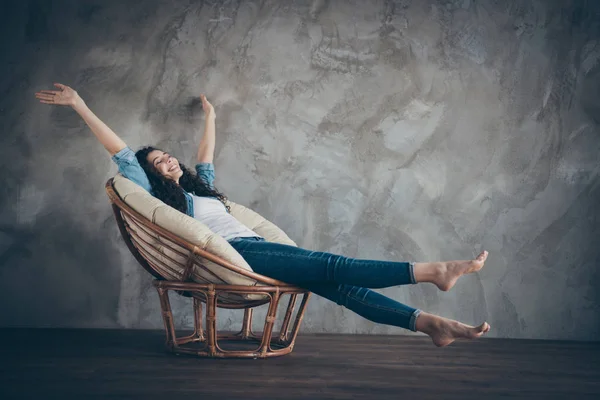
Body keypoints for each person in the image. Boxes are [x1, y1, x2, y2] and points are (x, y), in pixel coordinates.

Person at [35, 83, 491, 347]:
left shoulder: (200, 190)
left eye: (169, 157)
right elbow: (120, 153)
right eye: (157, 163)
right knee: (334, 265)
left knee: (342, 287)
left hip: (257, 249)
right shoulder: (166, 197)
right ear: (150, 175)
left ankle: (431, 325)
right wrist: (79, 105)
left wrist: (210, 115)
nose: (168, 162)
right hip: (240, 254)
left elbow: (206, 154)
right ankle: (432, 271)